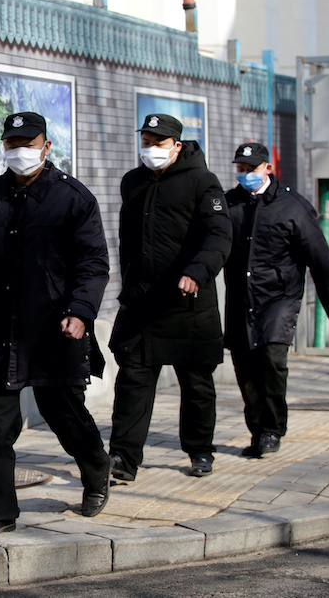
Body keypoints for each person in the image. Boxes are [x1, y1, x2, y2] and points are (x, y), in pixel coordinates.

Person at [0, 112, 111, 539]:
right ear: (3, 147)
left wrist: (81, 311)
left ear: (46, 146)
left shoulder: (74, 198)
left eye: (29, 142)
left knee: (63, 414)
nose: (21, 150)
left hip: (54, 329)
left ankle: (97, 470)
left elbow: (93, 264)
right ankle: (0, 512)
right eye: (12, 143)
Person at [108, 114, 232, 480]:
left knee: (195, 382)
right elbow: (127, 240)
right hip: (143, 304)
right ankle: (123, 459)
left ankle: (200, 450)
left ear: (177, 145)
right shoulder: (133, 182)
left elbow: (218, 235)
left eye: (159, 143)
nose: (151, 149)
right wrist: (128, 283)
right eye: (146, 141)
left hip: (188, 303)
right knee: (132, 380)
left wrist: (196, 271)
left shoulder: (202, 182)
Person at [224, 142, 329, 457]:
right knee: (245, 365)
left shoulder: (293, 206)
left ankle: (272, 430)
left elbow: (319, 256)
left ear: (267, 168)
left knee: (271, 357)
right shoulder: (228, 204)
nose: (245, 175)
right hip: (241, 297)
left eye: (251, 169)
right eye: (240, 169)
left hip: (280, 296)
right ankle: (257, 430)